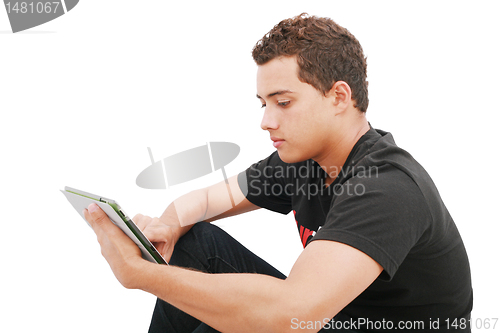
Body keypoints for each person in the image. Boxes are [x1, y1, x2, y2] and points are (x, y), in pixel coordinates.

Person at [83, 13, 473, 332]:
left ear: (339, 97)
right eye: (263, 103)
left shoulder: (386, 187)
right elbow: (204, 201)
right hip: (330, 320)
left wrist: (138, 272)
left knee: (243, 323)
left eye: (283, 102)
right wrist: (166, 228)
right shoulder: (306, 161)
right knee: (197, 243)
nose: (266, 121)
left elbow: (290, 315)